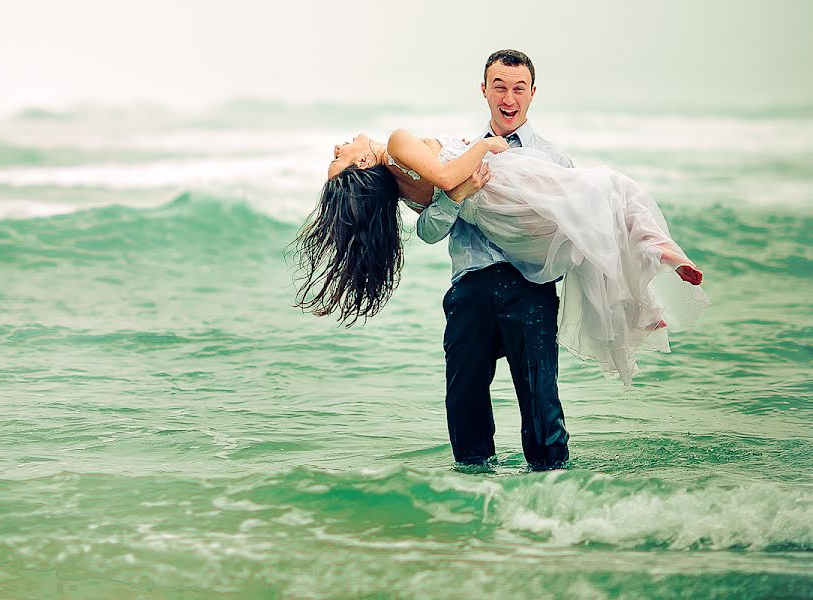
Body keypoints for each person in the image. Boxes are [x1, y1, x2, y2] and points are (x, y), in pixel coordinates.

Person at [294, 50, 708, 469]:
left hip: (528, 285)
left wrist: (465, 181)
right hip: (471, 287)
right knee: (464, 396)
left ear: (531, 94)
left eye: (518, 88)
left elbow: (573, 234)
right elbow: (430, 230)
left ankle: (551, 483)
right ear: (485, 92)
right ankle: (474, 487)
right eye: (499, 87)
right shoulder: (439, 156)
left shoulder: (552, 158)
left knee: (540, 395)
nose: (508, 97)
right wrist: (459, 193)